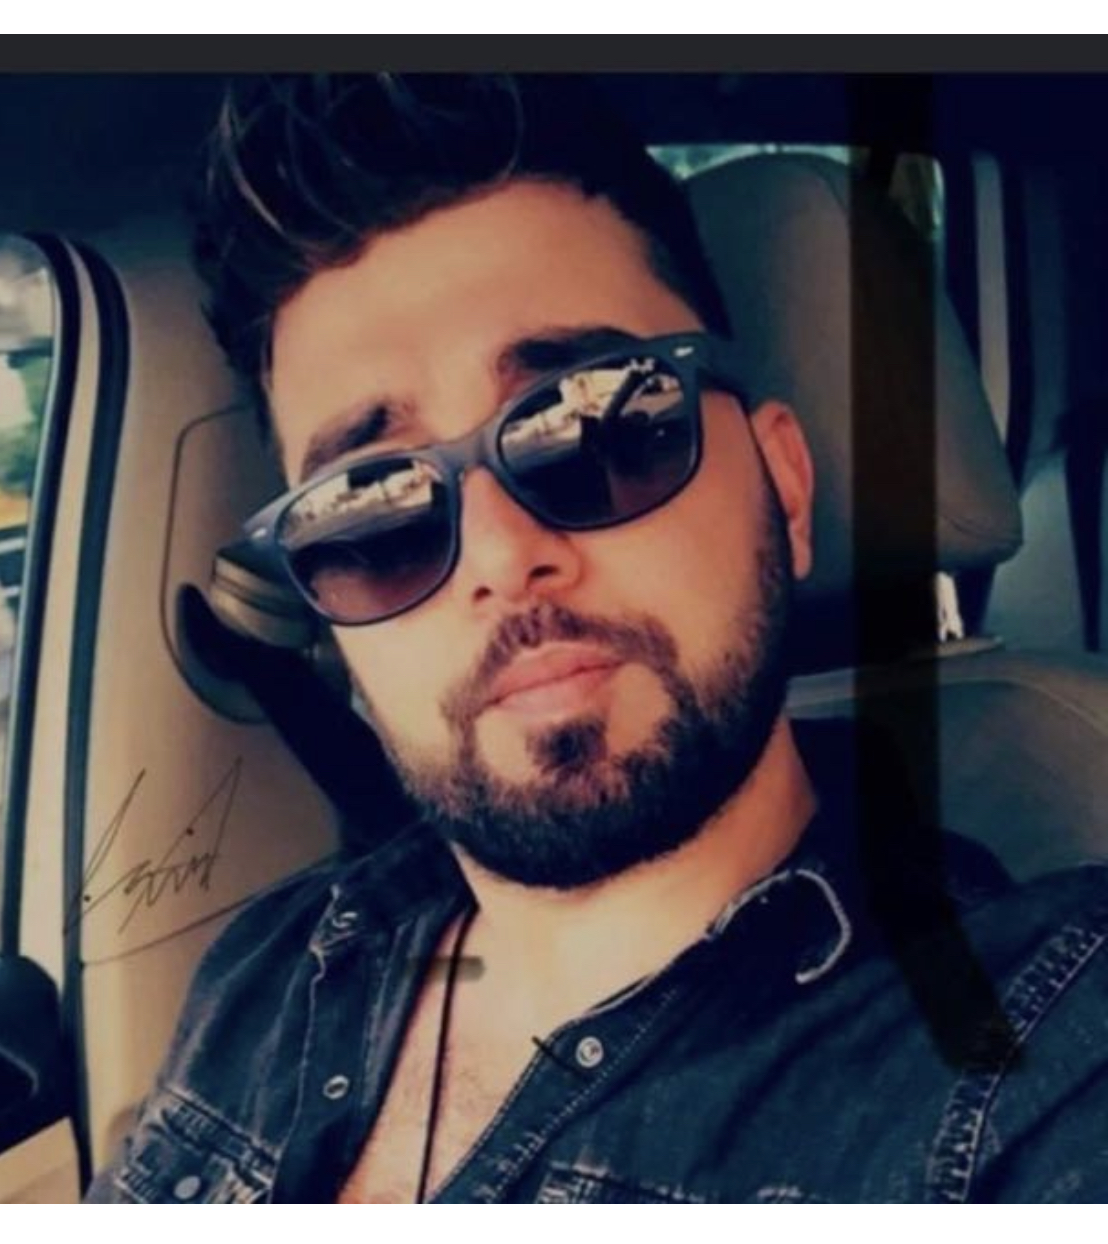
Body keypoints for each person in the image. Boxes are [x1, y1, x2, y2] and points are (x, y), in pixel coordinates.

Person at [87, 74, 1108, 1204]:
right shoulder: (266, 971)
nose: (499, 555)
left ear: (784, 484)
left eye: (599, 426)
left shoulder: (1032, 1061)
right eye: (370, 511)